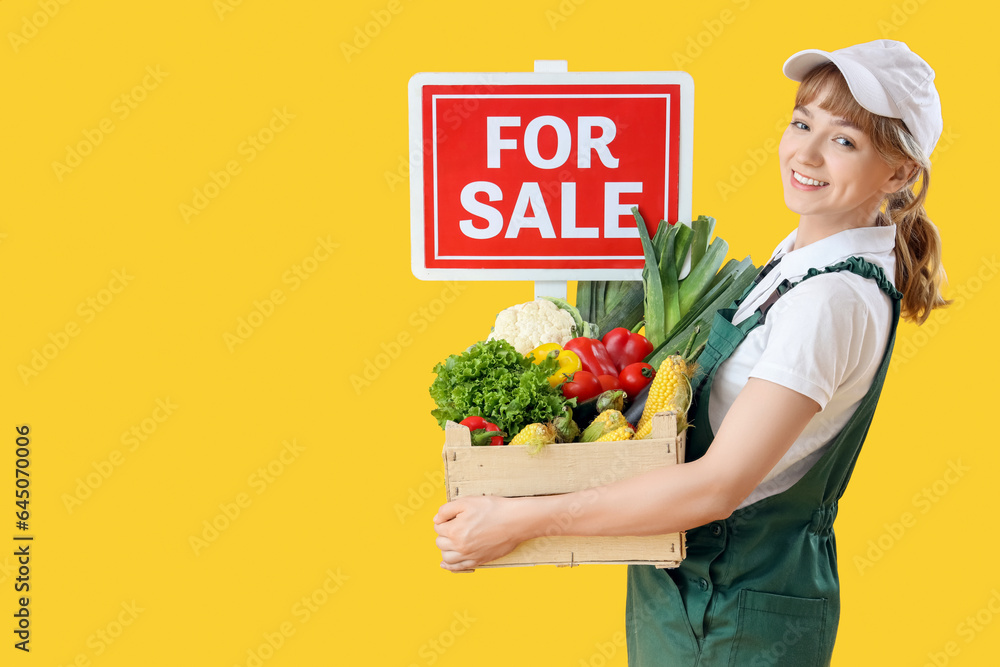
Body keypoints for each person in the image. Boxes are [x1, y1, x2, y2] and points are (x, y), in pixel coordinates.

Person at [433, 39, 947, 665]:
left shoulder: (830, 300)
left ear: (898, 172)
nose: (806, 153)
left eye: (844, 140)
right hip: (699, 594)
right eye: (801, 122)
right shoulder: (805, 261)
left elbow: (716, 487)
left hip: (728, 609)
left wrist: (519, 520)